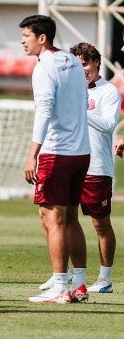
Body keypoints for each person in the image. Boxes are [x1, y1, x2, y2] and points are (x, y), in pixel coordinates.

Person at [37, 43, 119, 294]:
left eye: (85, 63)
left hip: (97, 167)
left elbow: (107, 125)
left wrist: (81, 109)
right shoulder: (69, 90)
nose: (81, 69)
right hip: (70, 162)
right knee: (54, 220)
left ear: (95, 63)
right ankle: (63, 273)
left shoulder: (109, 92)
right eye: (77, 64)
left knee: (100, 224)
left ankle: (104, 278)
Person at [20, 14, 91, 304]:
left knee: (54, 219)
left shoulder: (44, 67)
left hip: (56, 151)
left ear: (41, 38)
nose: (22, 42)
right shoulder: (72, 61)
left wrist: (32, 154)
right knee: (68, 218)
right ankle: (80, 283)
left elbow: (44, 110)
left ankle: (61, 288)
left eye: (25, 36)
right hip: (80, 151)